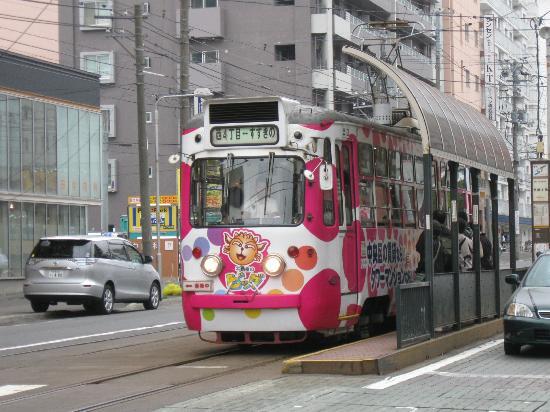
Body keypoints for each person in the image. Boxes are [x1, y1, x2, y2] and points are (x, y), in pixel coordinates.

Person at [416, 210, 452, 277]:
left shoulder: (426, 233)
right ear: (444, 220)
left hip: (427, 270)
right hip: (444, 271)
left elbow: (418, 248)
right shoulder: (449, 233)